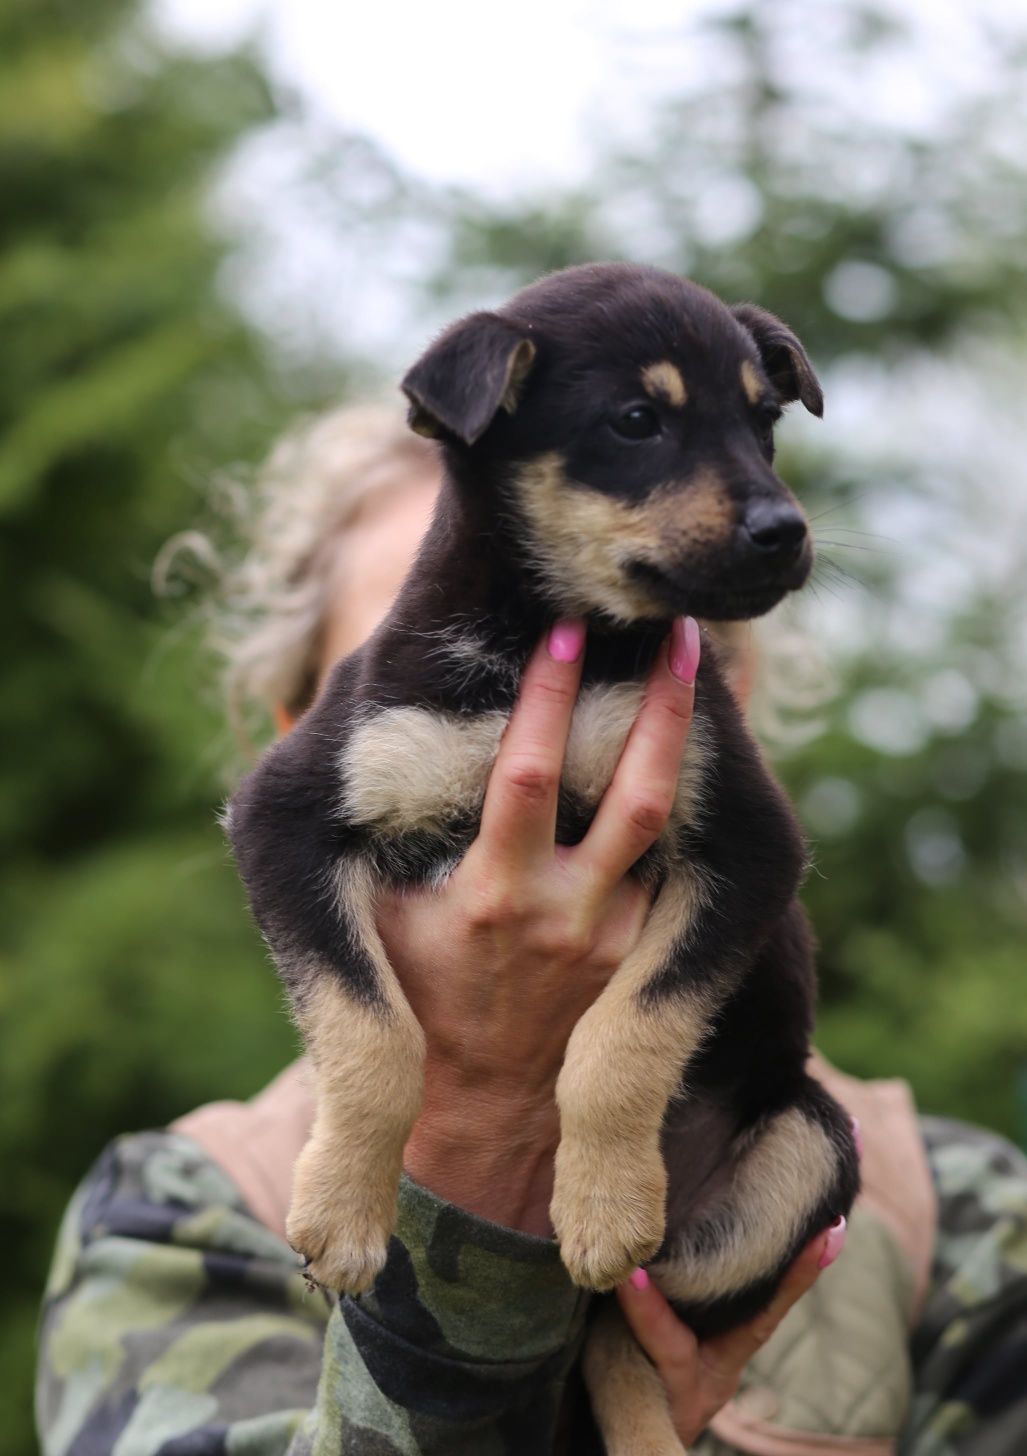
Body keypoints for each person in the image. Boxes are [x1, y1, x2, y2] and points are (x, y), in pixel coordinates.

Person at [37, 403, 1027, 1455]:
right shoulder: (176, 1217)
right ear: (304, 733)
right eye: (432, 651)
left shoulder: (960, 1227)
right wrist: (479, 1122)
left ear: (719, 702)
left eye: (590, 647)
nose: (522, 750)